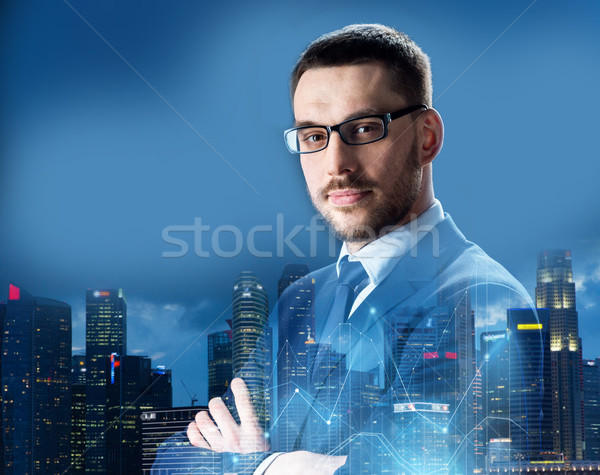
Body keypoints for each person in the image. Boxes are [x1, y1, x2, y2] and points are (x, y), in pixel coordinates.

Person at [153, 24, 541, 474]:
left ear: (427, 137)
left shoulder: (488, 298)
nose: (336, 165)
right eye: (314, 137)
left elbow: (433, 465)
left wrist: (258, 465)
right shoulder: (298, 302)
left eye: (363, 128)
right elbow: (173, 459)